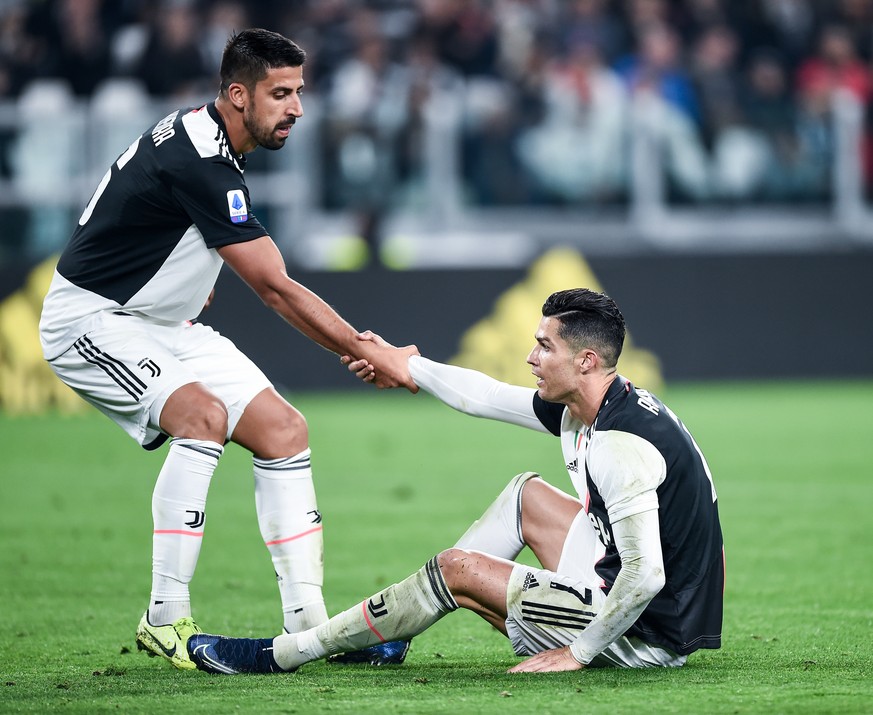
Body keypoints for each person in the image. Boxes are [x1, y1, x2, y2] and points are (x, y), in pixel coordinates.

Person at [38, 28, 417, 671]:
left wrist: (183, 276)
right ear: (238, 95)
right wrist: (364, 349)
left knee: (284, 430)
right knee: (202, 419)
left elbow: (155, 225)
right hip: (92, 320)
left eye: (300, 92)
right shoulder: (203, 161)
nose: (296, 107)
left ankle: (310, 628)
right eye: (281, 93)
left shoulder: (208, 138)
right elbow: (274, 286)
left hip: (159, 319)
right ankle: (165, 618)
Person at [183, 288, 725, 674]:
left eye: (544, 347)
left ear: (585, 360)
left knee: (455, 569)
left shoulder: (618, 443)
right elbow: (487, 396)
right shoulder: (596, 404)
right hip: (650, 600)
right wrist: (406, 366)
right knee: (526, 495)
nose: (530, 357)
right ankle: (395, 637)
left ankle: (285, 653)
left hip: (645, 633)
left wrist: (578, 652)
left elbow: (647, 573)